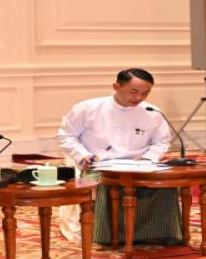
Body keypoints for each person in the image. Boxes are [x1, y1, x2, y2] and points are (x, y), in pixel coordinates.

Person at [57, 68, 182, 245]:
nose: (139, 97)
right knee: (94, 183)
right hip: (95, 165)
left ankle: (157, 232)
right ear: (116, 86)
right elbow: (66, 136)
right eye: (134, 91)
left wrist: (149, 159)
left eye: (145, 93)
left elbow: (161, 141)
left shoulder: (152, 112)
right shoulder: (87, 108)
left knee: (165, 184)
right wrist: (83, 155)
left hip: (138, 165)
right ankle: (104, 234)